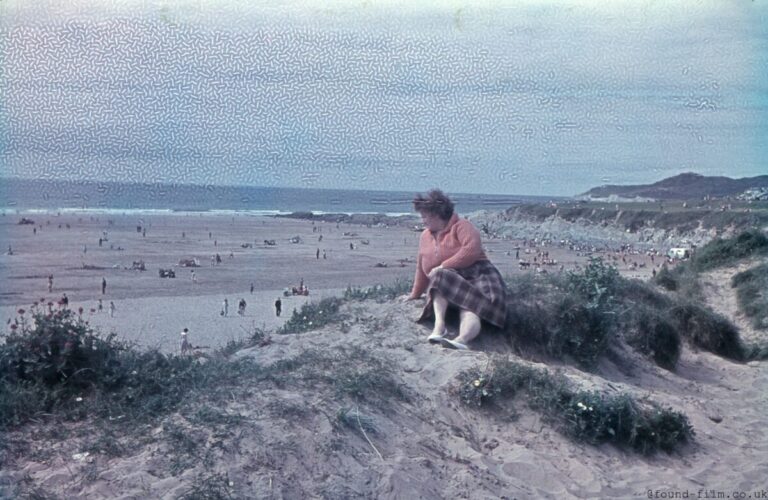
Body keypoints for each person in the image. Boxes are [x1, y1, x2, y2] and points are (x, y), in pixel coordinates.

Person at [399, 189, 507, 350]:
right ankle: (439, 327)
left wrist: (443, 266)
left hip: (479, 275)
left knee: (469, 308)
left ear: (437, 214)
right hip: (451, 278)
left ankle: (462, 340)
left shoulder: (462, 226)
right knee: (439, 278)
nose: (423, 220)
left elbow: (471, 251)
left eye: (425, 216)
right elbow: (421, 267)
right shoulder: (425, 236)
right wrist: (414, 294)